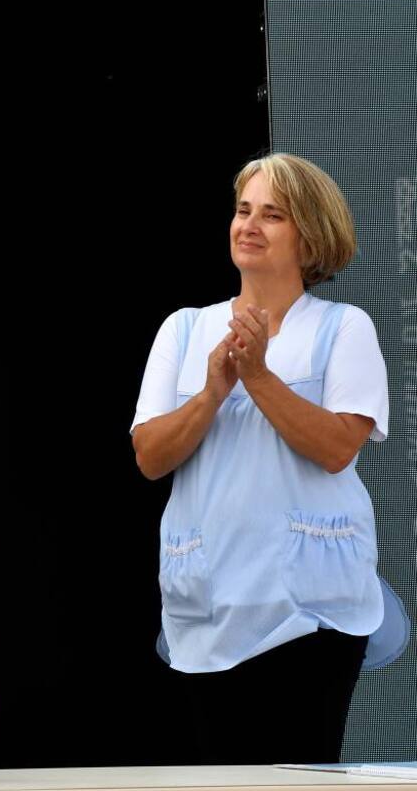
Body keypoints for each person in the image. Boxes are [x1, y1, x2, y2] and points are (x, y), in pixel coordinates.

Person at [131, 153, 407, 763]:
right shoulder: (183, 329)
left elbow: (338, 447)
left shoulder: (345, 328)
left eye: (272, 214)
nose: (248, 225)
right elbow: (149, 456)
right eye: (243, 210)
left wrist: (257, 376)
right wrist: (210, 393)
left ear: (311, 236)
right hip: (206, 612)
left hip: (312, 616)